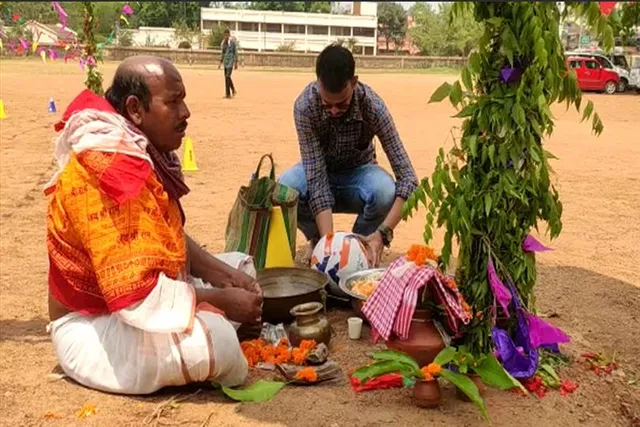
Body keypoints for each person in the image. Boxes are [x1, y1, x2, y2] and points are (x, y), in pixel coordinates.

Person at [45, 56, 262, 395]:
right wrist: (220, 299)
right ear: (135, 109)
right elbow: (134, 295)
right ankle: (217, 325)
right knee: (218, 343)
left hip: (142, 302)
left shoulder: (133, 148)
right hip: (95, 324)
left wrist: (223, 275)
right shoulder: (109, 170)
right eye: (173, 102)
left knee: (242, 266)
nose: (186, 112)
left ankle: (214, 313)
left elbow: (160, 229)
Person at [279, 44, 419, 267]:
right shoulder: (305, 107)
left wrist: (383, 233)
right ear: (317, 84)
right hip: (319, 173)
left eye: (341, 104)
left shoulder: (373, 107)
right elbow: (316, 180)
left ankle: (364, 245)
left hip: (359, 176)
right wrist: (329, 248)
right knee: (286, 188)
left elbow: (409, 180)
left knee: (384, 191)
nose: (334, 111)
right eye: (327, 105)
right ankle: (318, 241)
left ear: (354, 83)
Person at [218, 29, 238, 98]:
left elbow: (235, 52)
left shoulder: (232, 43)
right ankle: (228, 94)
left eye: (227, 35)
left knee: (227, 76)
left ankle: (233, 89)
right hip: (225, 62)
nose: (226, 36)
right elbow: (222, 53)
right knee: (226, 78)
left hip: (231, 62)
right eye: (225, 35)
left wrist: (236, 62)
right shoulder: (223, 43)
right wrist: (220, 62)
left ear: (229, 35)